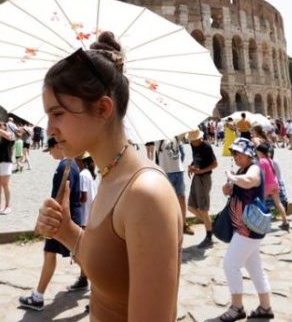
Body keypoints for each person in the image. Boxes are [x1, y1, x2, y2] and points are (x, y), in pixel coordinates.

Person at [34, 31, 182, 321]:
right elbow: (110, 269)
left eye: (58, 113)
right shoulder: (111, 175)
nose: (49, 128)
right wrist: (65, 230)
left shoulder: (145, 195)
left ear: (102, 108)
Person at [20, 137, 84, 311]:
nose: (50, 155)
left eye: (50, 151)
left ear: (57, 146)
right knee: (70, 254)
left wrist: (48, 221)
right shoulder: (71, 164)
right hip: (67, 217)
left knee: (77, 255)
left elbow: (61, 196)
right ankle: (88, 281)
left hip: (61, 219)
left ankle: (38, 297)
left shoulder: (65, 166)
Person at [217, 138, 274, 321]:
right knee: (255, 268)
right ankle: (265, 307)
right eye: (233, 153)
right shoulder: (242, 169)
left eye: (237, 153)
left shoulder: (254, 168)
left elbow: (250, 182)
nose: (234, 156)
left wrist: (232, 176)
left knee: (230, 265)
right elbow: (235, 190)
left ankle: (237, 307)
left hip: (248, 229)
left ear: (248, 154)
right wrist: (227, 188)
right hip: (242, 227)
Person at [69, 153, 98, 292]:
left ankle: (86, 279)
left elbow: (84, 197)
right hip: (89, 216)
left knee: (80, 252)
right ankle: (83, 277)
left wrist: (73, 202)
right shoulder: (89, 174)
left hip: (84, 217)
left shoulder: (82, 175)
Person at [186, 129, 218, 248]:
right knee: (191, 207)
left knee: (203, 209)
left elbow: (215, 164)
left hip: (204, 178)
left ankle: (209, 237)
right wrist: (192, 166)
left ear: (198, 139)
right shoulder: (192, 145)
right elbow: (197, 159)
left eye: (193, 140)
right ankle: (210, 223)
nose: (191, 142)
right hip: (196, 177)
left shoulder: (206, 147)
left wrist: (201, 170)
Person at [156, 134, 194, 235]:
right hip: (165, 172)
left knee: (181, 198)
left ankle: (183, 224)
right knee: (166, 200)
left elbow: (183, 152)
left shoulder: (176, 136)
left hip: (179, 171)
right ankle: (167, 225)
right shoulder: (158, 139)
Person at [256, 143, 290, 231]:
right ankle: (285, 222)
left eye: (257, 151)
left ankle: (260, 223)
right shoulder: (270, 159)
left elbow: (262, 174)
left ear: (260, 152)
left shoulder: (262, 161)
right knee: (278, 203)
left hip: (267, 185)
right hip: (275, 183)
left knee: (261, 203)